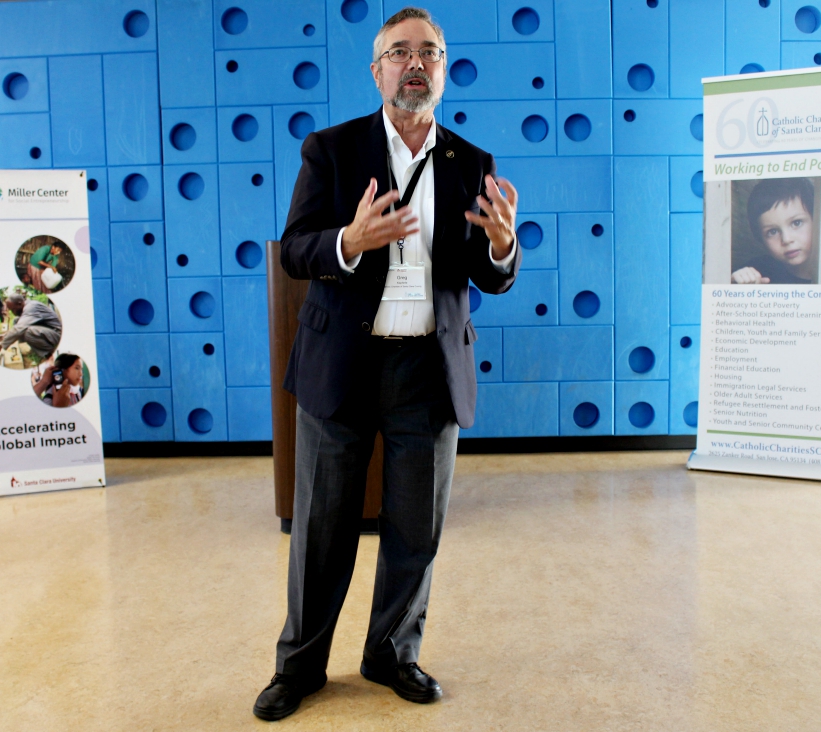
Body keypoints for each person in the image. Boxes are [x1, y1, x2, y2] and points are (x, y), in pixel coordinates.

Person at [253, 7, 521, 722]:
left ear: (443, 69)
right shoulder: (331, 151)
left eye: (428, 52)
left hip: (427, 372)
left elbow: (486, 274)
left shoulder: (474, 163)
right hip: (343, 364)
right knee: (322, 529)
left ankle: (391, 653)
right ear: (376, 71)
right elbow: (296, 248)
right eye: (398, 51)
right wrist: (348, 238)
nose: (414, 62)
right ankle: (300, 667)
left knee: (415, 528)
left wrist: (502, 248)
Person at [731, 177, 821, 285]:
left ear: (817, 221)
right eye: (772, 232)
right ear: (760, 238)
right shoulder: (756, 273)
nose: (787, 239)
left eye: (796, 223)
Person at [0, 292, 62, 364]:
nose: (12, 312)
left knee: (28, 332)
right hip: (48, 331)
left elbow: (19, 328)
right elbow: (19, 325)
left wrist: (0, 345)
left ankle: (48, 354)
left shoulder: (31, 307)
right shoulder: (27, 306)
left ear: (19, 304)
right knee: (17, 320)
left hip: (56, 333)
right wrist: (5, 336)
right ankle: (29, 346)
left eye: (13, 309)